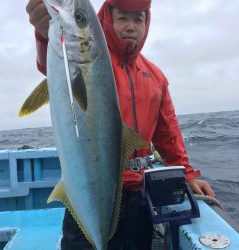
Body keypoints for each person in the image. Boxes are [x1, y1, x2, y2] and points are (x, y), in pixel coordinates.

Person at [26, 0, 215, 249]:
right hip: (89, 190)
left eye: (138, 19)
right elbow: (53, 66)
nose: (131, 26)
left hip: (139, 194)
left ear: (147, 23)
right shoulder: (96, 61)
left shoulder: (156, 76)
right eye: (122, 18)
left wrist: (188, 174)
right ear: (107, 20)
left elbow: (168, 133)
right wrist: (44, 33)